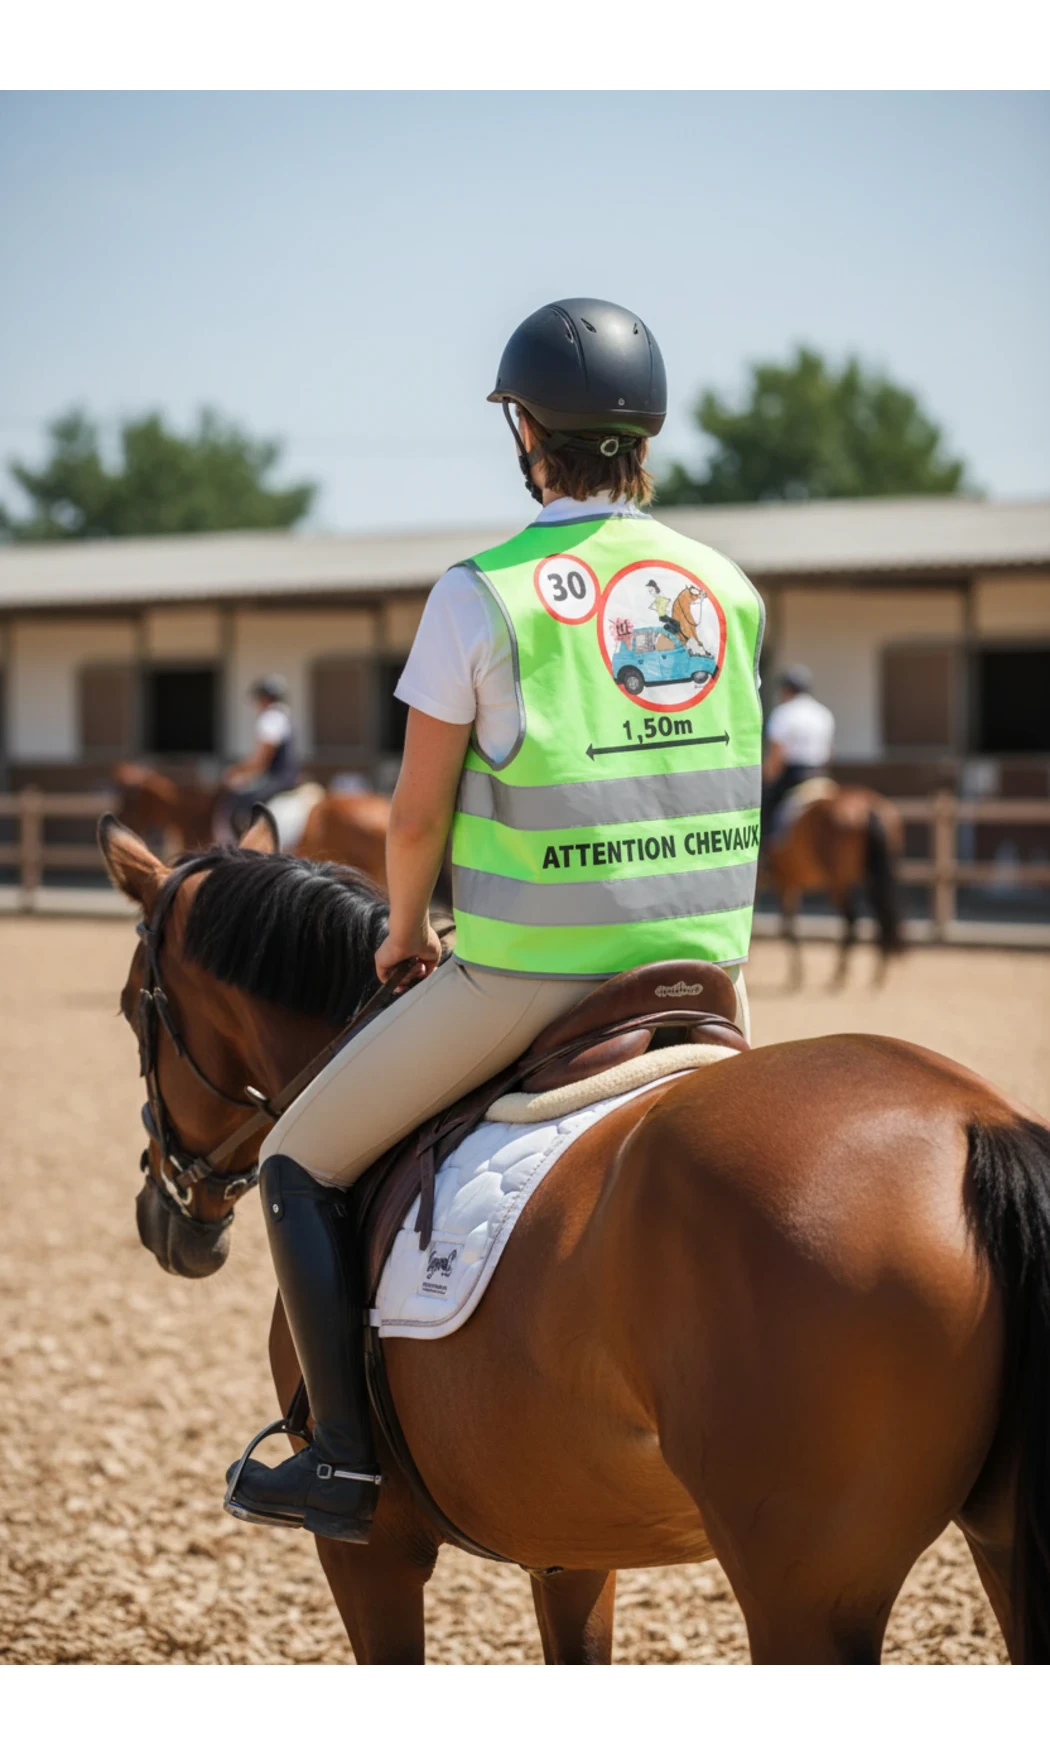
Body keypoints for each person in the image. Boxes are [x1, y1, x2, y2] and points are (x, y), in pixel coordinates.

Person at [225, 297, 767, 1544]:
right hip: (705, 977)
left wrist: (406, 933)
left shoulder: (483, 594)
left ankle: (345, 1460)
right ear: (649, 433)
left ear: (528, 433)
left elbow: (415, 818)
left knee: (294, 1161)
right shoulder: (724, 588)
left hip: (535, 975)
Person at [760, 664, 835, 838]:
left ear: (786, 690)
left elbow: (776, 756)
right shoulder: (823, 712)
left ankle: (765, 852)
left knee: (766, 814)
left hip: (793, 777)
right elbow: (830, 751)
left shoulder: (783, 713)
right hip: (821, 775)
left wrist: (766, 781)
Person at [220, 676, 300, 838]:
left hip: (277, 778)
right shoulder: (283, 715)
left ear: (265, 699)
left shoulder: (270, 718)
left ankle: (245, 850)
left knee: (240, 803)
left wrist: (236, 772)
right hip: (287, 776)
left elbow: (261, 761)